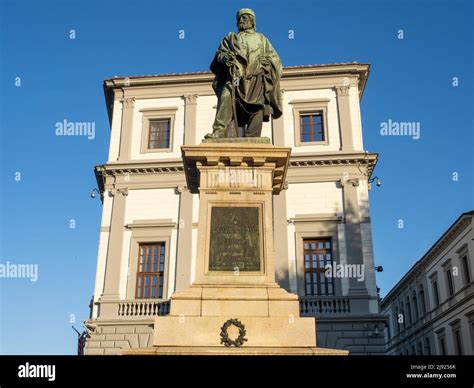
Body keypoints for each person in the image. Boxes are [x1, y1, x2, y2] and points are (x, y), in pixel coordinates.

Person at [205, 8, 283, 138]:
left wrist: (267, 63)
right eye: (239, 18)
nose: (241, 20)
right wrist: (224, 58)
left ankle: (253, 137)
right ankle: (219, 132)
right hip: (235, 79)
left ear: (252, 21)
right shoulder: (231, 38)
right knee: (226, 96)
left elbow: (276, 61)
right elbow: (220, 54)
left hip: (256, 78)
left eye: (245, 17)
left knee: (258, 106)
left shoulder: (262, 39)